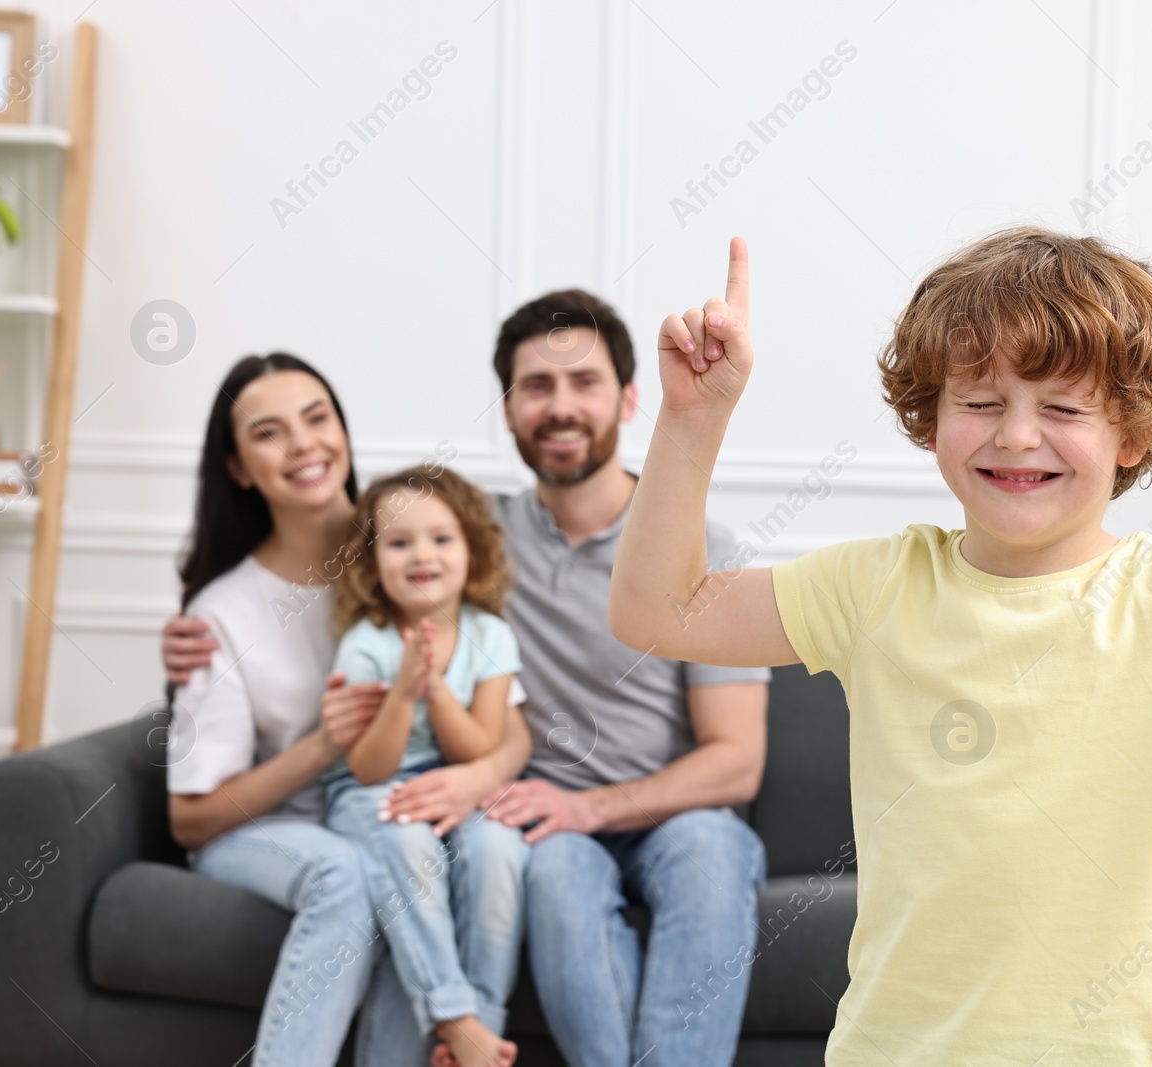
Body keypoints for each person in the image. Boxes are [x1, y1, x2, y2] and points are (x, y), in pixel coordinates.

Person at [604, 214, 1152, 1063]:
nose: (1015, 434)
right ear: (930, 420)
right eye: (980, 401)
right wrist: (691, 418)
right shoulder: (871, 587)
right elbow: (657, 612)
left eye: (1062, 407)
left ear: (1134, 432)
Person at [167, 290, 773, 1067]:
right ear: (509, 408)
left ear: (628, 398)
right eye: (535, 386)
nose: (560, 407)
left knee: (710, 850)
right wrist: (194, 626)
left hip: (665, 816)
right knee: (545, 866)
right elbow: (345, 540)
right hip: (536, 819)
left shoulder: (703, 548)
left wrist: (587, 805)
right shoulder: (473, 535)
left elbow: (737, 760)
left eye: (584, 381)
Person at [162, 353, 532, 1067]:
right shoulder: (223, 615)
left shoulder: (409, 546)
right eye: (269, 432)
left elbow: (508, 725)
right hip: (272, 827)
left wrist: (474, 779)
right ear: (239, 467)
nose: (303, 444)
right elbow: (192, 818)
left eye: (317, 417)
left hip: (391, 805)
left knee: (431, 862)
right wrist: (320, 748)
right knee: (357, 871)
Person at [321, 465, 528, 1067]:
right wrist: (402, 693)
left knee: (500, 853)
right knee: (408, 844)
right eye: (399, 541)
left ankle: (476, 1031)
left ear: (473, 550)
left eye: (441, 538)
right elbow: (366, 767)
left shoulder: (492, 635)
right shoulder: (366, 642)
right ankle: (454, 1017)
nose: (422, 555)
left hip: (458, 780)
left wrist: (434, 686)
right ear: (372, 560)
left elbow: (479, 748)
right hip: (374, 791)